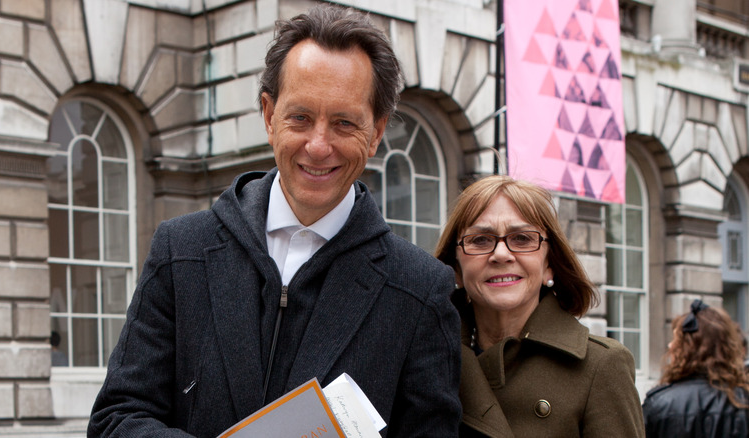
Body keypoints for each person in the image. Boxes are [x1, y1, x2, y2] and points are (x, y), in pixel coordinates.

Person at [87, 5, 461, 437]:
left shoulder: (419, 289)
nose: (319, 146)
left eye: (344, 123)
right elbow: (115, 420)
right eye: (300, 117)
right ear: (269, 115)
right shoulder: (180, 251)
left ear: (376, 133)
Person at [434, 175, 644, 437]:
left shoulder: (601, 366)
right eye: (480, 240)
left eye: (522, 238)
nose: (500, 254)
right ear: (455, 267)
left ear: (549, 265)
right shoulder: (430, 359)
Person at [643, 299, 749, 437]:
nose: (670, 345)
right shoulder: (742, 399)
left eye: (676, 340)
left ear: (685, 348)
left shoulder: (659, 403)